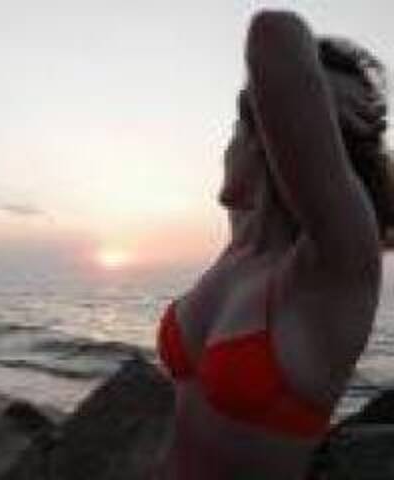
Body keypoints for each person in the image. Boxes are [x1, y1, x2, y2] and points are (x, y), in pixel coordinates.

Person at [156, 10, 394, 480]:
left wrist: (302, 98)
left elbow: (274, 32)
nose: (229, 146)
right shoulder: (242, 246)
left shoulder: (337, 262)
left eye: (242, 126)